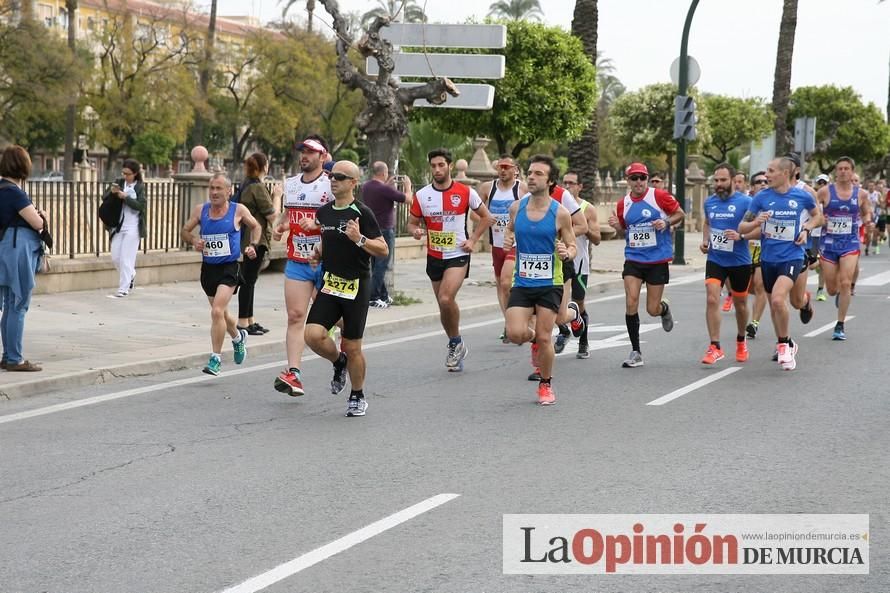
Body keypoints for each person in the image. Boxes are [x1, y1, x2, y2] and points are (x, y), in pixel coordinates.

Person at [303, 160, 388, 417]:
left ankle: (357, 394)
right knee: (312, 335)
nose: (333, 179)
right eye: (331, 175)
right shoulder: (324, 212)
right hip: (331, 284)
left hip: (356, 286)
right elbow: (327, 241)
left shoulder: (363, 213)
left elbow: (383, 249)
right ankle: (338, 362)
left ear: (353, 183)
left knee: (352, 347)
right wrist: (318, 253)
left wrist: (359, 239)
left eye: (340, 176)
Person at [407, 148, 494, 371]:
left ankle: (455, 344)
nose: (437, 169)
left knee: (446, 298)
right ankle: (456, 343)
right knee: (443, 306)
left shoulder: (466, 192)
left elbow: (487, 218)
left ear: (450, 166)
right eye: (433, 166)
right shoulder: (422, 195)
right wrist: (415, 231)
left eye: (441, 165)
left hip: (458, 254)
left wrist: (473, 239)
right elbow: (412, 223)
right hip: (434, 255)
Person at [504, 155, 576, 405]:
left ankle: (546, 385)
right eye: (530, 173)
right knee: (514, 334)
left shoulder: (561, 214)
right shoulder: (517, 208)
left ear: (551, 181)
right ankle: (536, 334)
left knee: (546, 338)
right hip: (523, 282)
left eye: (538, 174)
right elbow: (510, 228)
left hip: (549, 283)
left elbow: (572, 244)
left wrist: (568, 252)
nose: (531, 177)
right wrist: (507, 237)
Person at [738, 156, 822, 371]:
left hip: (792, 255)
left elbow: (818, 218)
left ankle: (783, 345)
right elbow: (742, 227)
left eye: (771, 171)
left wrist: (806, 229)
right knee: (779, 305)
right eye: (767, 170)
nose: (767, 175)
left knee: (777, 300)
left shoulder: (802, 196)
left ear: (785, 173)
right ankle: (788, 342)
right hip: (768, 259)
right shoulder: (761, 198)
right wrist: (756, 222)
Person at [180, 173, 262, 376]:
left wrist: (253, 246)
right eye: (211, 188)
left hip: (229, 267)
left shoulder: (238, 210)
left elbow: (256, 226)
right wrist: (193, 241)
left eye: (218, 188)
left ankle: (215, 359)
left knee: (217, 311)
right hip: (209, 269)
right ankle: (238, 338)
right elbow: (184, 230)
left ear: (229, 191)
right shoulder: (201, 210)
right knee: (222, 314)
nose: (214, 192)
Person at [272, 135, 333, 396]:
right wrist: (282, 224)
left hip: (328, 260)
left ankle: (341, 359)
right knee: (296, 316)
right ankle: (294, 373)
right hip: (298, 260)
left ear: (323, 156)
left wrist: (318, 225)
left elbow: (343, 216)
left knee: (337, 320)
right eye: (302, 151)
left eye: (311, 151)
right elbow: (290, 212)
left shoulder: (331, 185)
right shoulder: (292, 184)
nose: (304, 156)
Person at [608, 162, 685, 368]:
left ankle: (663, 308)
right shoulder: (622, 204)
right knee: (631, 301)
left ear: (647, 179)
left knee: (652, 309)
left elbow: (680, 214)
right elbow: (626, 232)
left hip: (657, 259)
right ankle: (636, 351)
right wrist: (617, 227)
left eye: (642, 177)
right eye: (634, 178)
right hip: (633, 258)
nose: (639, 182)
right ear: (628, 181)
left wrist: (666, 222)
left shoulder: (658, 196)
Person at [699, 163, 753, 364]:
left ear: (732, 181)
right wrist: (705, 241)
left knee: (740, 304)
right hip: (716, 258)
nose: (719, 184)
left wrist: (740, 235)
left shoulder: (746, 202)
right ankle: (715, 346)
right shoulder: (710, 203)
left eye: (723, 180)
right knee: (712, 299)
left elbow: (758, 228)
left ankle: (741, 339)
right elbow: (707, 223)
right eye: (716, 180)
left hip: (739, 261)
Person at [0, 145, 46, 372]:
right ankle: (14, 359)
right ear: (23, 165)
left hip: (5, 249)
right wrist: (43, 215)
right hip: (18, 251)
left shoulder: (1, 189)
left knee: (9, 305)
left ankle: (8, 355)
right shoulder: (14, 192)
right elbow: (37, 223)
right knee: (19, 304)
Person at [817, 157, 871, 341]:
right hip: (828, 243)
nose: (843, 171)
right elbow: (813, 211)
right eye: (839, 168)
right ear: (835, 171)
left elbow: (867, 211)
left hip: (850, 242)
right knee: (832, 289)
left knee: (846, 282)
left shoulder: (861, 194)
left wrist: (868, 221)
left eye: (846, 168)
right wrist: (818, 219)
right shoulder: (824, 192)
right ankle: (838, 293)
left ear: (852, 171)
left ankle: (840, 325)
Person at [478, 154, 527, 342]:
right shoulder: (487, 189)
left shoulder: (521, 189)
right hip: (496, 243)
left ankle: (516, 321)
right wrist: (485, 219)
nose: (503, 170)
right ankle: (509, 323)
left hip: (515, 243)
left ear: (515, 169)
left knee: (507, 282)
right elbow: (474, 210)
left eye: (507, 167)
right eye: (500, 167)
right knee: (501, 285)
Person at [236, 152, 279, 335]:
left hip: (246, 238)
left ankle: (249, 319)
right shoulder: (257, 187)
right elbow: (271, 215)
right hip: (255, 239)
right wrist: (277, 196)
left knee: (250, 279)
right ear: (265, 167)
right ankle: (243, 322)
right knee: (248, 280)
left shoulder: (246, 184)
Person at [360, 160, 412, 309]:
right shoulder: (384, 190)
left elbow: (382, 194)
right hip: (384, 230)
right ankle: (373, 297)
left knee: (376, 265)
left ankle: (383, 295)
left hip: (369, 230)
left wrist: (388, 185)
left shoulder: (366, 186)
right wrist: (407, 186)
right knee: (382, 264)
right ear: (384, 173)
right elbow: (408, 199)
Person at [562, 170, 600, 358]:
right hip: (559, 262)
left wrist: (582, 228)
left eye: (571, 183)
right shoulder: (557, 206)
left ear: (580, 187)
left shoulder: (587, 208)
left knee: (579, 302)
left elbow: (598, 238)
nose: (568, 186)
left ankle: (583, 342)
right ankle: (563, 331)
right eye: (565, 183)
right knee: (553, 301)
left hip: (579, 264)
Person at [104, 158, 146, 298]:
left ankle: (123, 289)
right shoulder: (119, 182)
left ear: (135, 174)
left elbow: (140, 206)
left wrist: (126, 197)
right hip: (118, 226)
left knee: (126, 259)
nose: (125, 176)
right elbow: (104, 196)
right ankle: (131, 275)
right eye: (123, 173)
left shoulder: (139, 187)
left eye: (128, 174)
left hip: (133, 227)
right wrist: (113, 192)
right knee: (116, 257)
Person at [746, 171, 769, 338]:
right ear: (752, 188)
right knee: (748, 288)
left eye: (765, 181)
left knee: (760, 285)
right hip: (746, 252)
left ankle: (754, 322)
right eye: (758, 182)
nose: (762, 184)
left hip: (765, 251)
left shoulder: (774, 203)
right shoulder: (745, 204)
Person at [813, 173, 831, 301]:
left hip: (825, 235)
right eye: (820, 183)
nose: (822, 185)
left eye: (824, 183)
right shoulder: (811, 198)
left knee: (823, 264)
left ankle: (820, 290)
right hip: (811, 235)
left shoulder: (832, 200)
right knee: (811, 265)